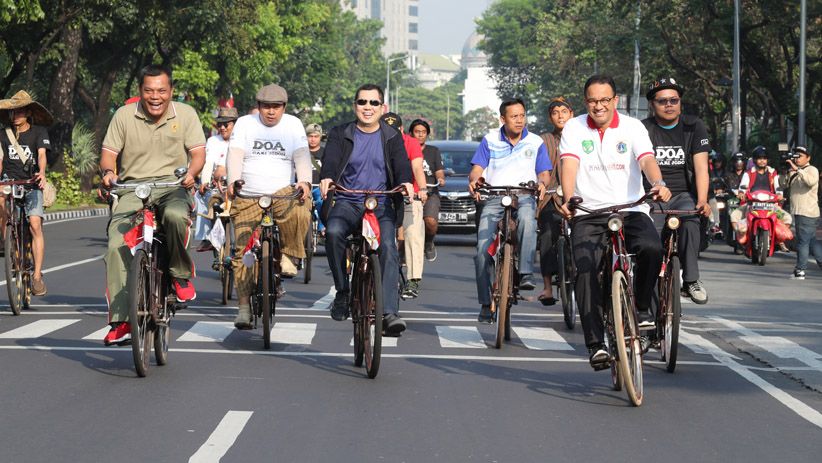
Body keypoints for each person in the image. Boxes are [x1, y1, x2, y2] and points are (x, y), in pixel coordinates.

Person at [557, 74, 671, 370]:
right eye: (593, 101)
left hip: (631, 209)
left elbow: (647, 159)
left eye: (604, 100)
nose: (598, 107)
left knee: (651, 249)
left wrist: (657, 182)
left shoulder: (633, 127)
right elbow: (569, 164)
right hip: (589, 212)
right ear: (586, 103)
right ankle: (595, 344)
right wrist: (570, 198)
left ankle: (642, 308)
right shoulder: (574, 126)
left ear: (615, 101)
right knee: (584, 270)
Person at [99, 64, 206, 345]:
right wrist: (109, 174)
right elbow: (109, 155)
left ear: (170, 91)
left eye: (161, 90)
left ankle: (180, 276)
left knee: (174, 216)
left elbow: (197, 153)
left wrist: (192, 174)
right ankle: (121, 321)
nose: (155, 96)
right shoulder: (123, 116)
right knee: (116, 243)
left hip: (173, 186)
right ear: (140, 92)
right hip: (134, 187)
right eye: (149, 90)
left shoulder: (186, 114)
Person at [319, 84, 414, 335]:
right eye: (362, 102)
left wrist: (405, 182)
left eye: (373, 103)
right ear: (355, 106)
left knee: (388, 247)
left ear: (383, 107)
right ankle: (342, 291)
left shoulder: (391, 135)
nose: (367, 108)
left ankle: (389, 313)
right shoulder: (341, 133)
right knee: (333, 232)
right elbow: (330, 160)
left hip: (381, 203)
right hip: (348, 202)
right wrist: (327, 177)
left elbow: (402, 164)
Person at [225, 84, 312, 329]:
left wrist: (304, 181)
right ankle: (243, 308)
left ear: (284, 107)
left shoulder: (293, 124)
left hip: (282, 195)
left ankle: (288, 255)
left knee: (303, 204)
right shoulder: (244, 123)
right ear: (259, 107)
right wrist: (233, 181)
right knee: (241, 252)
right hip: (249, 194)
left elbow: (302, 157)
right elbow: (235, 155)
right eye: (266, 106)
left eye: (276, 107)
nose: (271, 112)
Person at [468, 98, 551, 323]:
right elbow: (477, 169)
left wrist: (542, 183)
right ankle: (486, 303)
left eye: (522, 115)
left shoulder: (535, 142)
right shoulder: (489, 140)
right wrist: (475, 181)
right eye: (514, 116)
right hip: (495, 198)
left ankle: (525, 273)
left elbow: (544, 172)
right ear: (502, 119)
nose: (519, 120)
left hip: (524, 196)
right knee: (482, 251)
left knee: (527, 220)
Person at [641, 77, 712, 304]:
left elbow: (701, 168)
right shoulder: (643, 129)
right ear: (652, 104)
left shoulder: (694, 126)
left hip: (683, 195)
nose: (669, 105)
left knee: (691, 219)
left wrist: (702, 200)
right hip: (651, 196)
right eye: (662, 101)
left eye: (674, 100)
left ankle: (691, 280)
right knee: (648, 238)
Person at [0, 90, 52, 296]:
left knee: (35, 224)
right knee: (0, 201)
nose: (16, 116)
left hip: (31, 183)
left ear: (28, 113)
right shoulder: (3, 135)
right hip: (9, 182)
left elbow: (41, 156)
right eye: (13, 112)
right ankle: (5, 239)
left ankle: (37, 276)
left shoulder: (39, 133)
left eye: (20, 112)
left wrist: (42, 173)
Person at [381, 112, 427, 299]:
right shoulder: (373, 141)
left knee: (413, 233)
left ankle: (413, 280)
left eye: (395, 131)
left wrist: (422, 189)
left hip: (407, 194)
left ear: (401, 130)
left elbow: (417, 167)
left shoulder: (411, 143)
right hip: (379, 196)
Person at [536, 96, 573, 305]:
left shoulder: (582, 137)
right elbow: (538, 167)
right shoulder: (543, 140)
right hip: (551, 196)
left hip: (579, 195)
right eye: (555, 112)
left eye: (564, 112)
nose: (560, 116)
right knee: (548, 232)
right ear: (551, 117)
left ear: (571, 114)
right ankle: (548, 287)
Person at [194, 106, 237, 252]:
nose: (223, 128)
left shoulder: (242, 139)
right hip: (218, 185)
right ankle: (206, 238)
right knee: (200, 195)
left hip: (238, 186)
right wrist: (204, 182)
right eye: (220, 124)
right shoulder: (213, 141)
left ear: (235, 124)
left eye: (227, 124)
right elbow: (208, 163)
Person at [732, 146, 791, 243]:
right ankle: (741, 234)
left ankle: (778, 239)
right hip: (751, 204)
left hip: (771, 205)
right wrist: (741, 193)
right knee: (734, 216)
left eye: (764, 158)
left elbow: (778, 187)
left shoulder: (773, 173)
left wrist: (780, 195)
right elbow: (743, 186)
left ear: (767, 160)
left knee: (787, 218)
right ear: (755, 160)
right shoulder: (749, 173)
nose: (762, 161)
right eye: (759, 158)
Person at [409, 119, 445, 262]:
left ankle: (429, 243)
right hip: (411, 193)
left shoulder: (433, 151)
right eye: (417, 132)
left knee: (430, 221)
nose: (420, 135)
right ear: (411, 133)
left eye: (423, 132)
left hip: (430, 192)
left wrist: (441, 179)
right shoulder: (406, 149)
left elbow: (439, 171)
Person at [786, 146, 822, 279]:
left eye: (800, 156)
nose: (797, 158)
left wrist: (797, 170)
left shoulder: (812, 170)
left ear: (808, 158)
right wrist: (787, 171)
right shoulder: (795, 171)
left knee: (803, 242)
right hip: (799, 211)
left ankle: (800, 270)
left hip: (807, 212)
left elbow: (811, 182)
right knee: (811, 241)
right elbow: (784, 184)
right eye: (796, 155)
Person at [305, 123, 326, 234]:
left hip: (319, 186)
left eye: (316, 136)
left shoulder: (326, 152)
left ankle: (322, 227)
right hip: (303, 187)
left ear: (320, 137)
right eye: (310, 136)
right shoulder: (300, 152)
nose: (313, 139)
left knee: (321, 202)